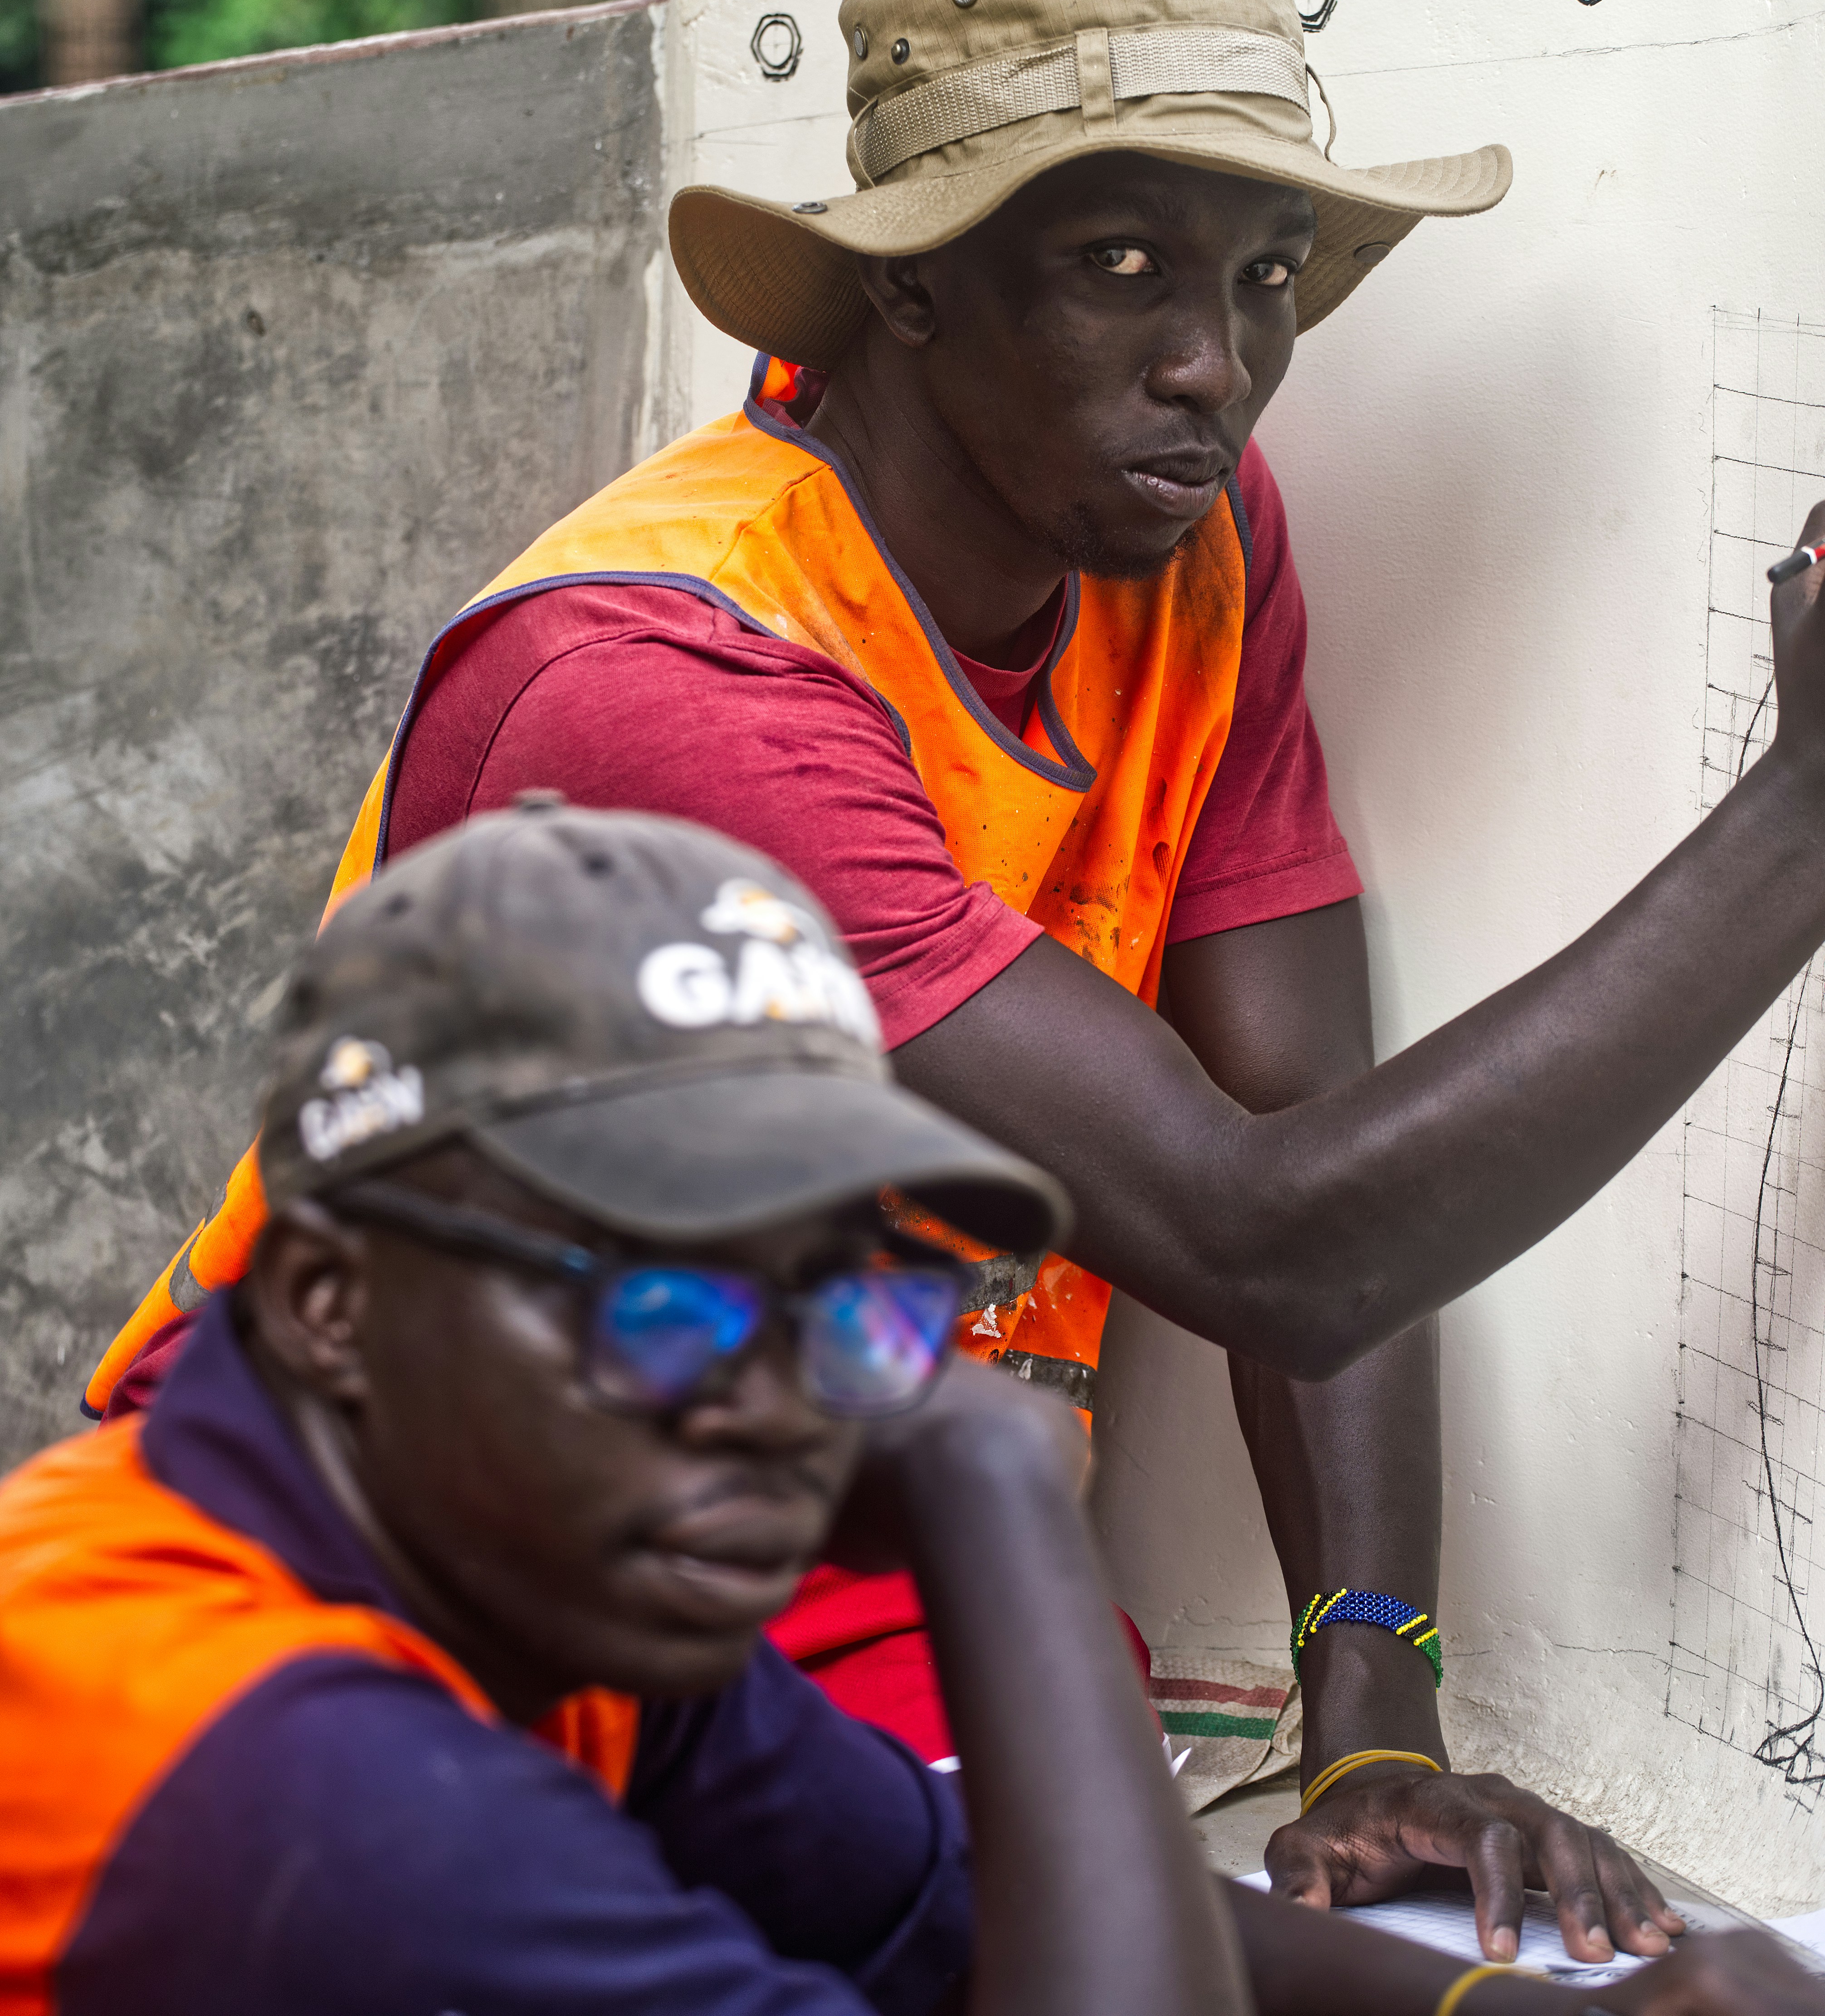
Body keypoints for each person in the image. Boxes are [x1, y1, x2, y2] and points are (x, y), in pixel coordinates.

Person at [86, 0, 1825, 1964]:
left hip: (838, 1499)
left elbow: (1310, 1110)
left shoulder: (1180, 542)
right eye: (1116, 269)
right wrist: (1797, 822)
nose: (1215, 365)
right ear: (904, 295)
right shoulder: (680, 670)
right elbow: (1265, 1226)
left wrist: (1370, 1714)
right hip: (465, 1497)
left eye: (1264, 280)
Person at [11, 802, 1815, 2016]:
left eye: (853, 1298)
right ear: (337, 1304)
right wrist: (991, 1480)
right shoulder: (276, 1773)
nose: (789, 1405)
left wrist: (1528, 2010)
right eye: (666, 1298)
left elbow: (938, 1905)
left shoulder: (517, 1589)